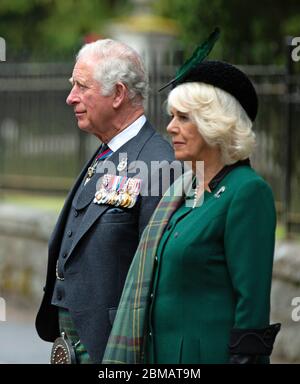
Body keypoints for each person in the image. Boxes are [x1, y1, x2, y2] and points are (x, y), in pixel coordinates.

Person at [102, 52, 281, 364]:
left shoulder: (248, 192)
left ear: (216, 124)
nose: (170, 127)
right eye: (172, 116)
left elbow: (251, 308)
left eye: (183, 118)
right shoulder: (185, 191)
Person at [35, 39, 175, 364]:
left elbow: (158, 276)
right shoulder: (106, 151)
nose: (71, 98)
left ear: (118, 94)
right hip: (72, 341)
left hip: (115, 348)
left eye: (82, 87)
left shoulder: (158, 163)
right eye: (73, 86)